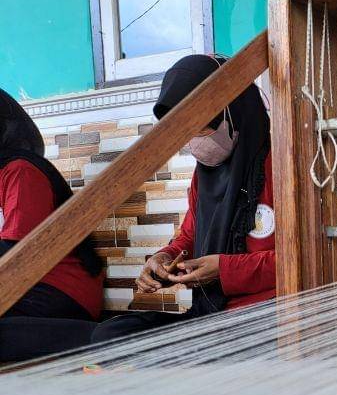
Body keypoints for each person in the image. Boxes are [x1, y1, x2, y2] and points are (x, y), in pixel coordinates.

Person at [91, 55, 274, 343]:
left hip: (265, 317)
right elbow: (189, 238)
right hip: (209, 314)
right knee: (111, 334)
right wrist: (163, 260)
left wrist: (225, 270)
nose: (191, 141)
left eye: (199, 126)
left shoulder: (280, 169)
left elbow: (300, 258)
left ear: (233, 114)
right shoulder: (205, 177)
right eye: (183, 131)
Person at [0, 89, 103, 362]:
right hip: (21, 289)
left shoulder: (20, 170)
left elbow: (18, 251)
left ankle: (101, 337)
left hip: (59, 291)